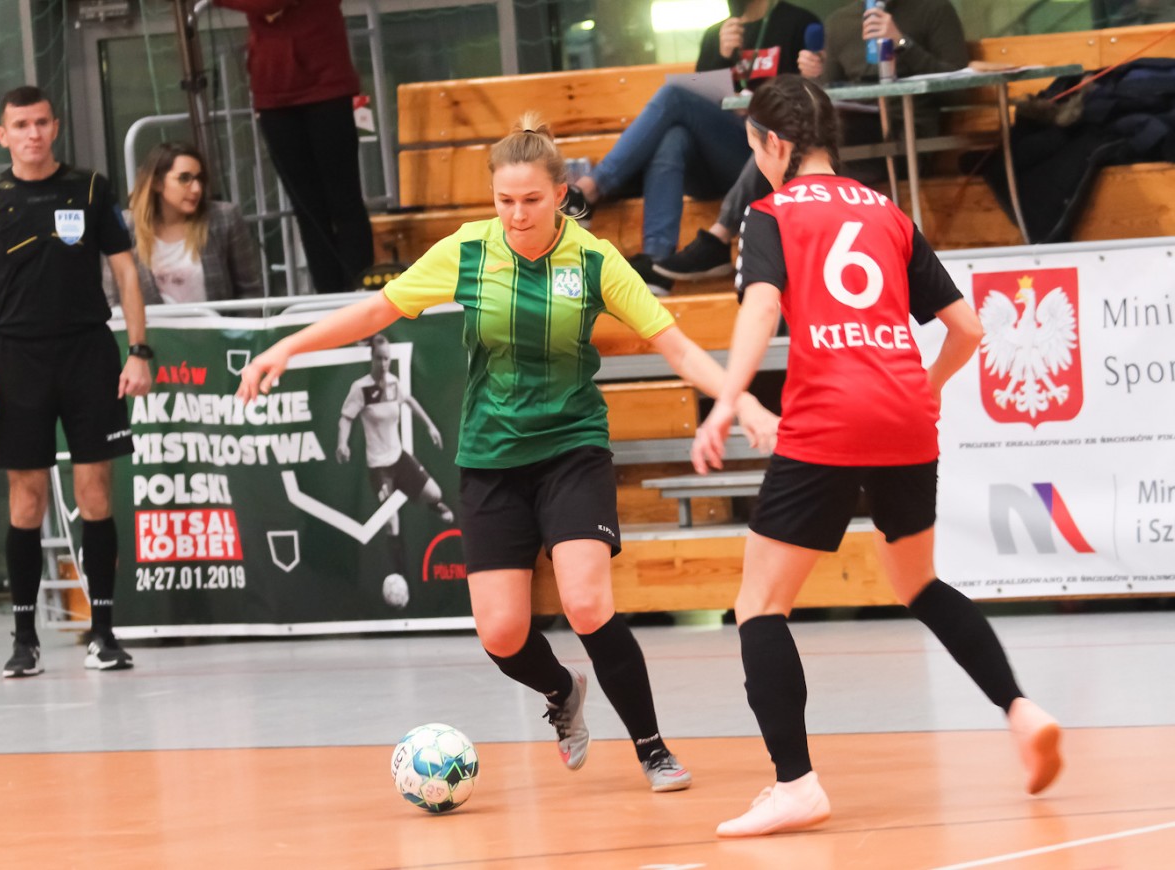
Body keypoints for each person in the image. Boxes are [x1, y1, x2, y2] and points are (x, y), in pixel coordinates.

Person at [239, 113, 779, 791]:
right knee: (500, 633)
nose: (517, 215)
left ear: (560, 194)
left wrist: (741, 402)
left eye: (531, 200)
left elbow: (675, 346)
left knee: (586, 604)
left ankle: (653, 748)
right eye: (504, 201)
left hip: (571, 449)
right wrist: (287, 346)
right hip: (491, 459)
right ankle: (561, 691)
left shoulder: (594, 260)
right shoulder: (468, 250)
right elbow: (378, 312)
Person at [690, 76, 1063, 837]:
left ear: (775, 144)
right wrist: (928, 387)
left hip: (829, 417)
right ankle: (1022, 710)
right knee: (918, 582)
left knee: (760, 604)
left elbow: (761, 307)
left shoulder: (770, 214)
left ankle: (795, 784)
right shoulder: (888, 213)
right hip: (905, 417)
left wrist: (727, 400)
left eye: (754, 147)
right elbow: (968, 329)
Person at [0, 86, 153, 677]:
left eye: (42, 122)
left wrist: (138, 352)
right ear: (2, 135)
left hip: (88, 354)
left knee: (95, 493)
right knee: (26, 499)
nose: (33, 133)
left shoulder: (92, 188)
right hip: (16, 360)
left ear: (56, 127)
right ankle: (24, 640)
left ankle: (103, 633)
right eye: (21, 124)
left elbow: (125, 272)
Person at [656, 0, 967, 282]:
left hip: (906, 133)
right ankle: (755, 257)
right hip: (845, 134)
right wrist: (816, 77)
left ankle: (724, 238)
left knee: (787, 141)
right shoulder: (841, 21)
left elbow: (959, 86)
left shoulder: (934, 10)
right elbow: (825, 96)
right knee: (782, 137)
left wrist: (902, 43)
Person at [565, 0, 820, 294]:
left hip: (759, 160)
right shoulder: (716, 34)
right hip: (714, 160)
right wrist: (720, 56)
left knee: (673, 96)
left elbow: (807, 107)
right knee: (675, 136)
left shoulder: (798, 22)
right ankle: (657, 262)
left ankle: (592, 189)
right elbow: (702, 94)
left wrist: (784, 91)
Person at [214, 0, 374, 293]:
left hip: (326, 87)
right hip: (273, 93)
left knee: (344, 201)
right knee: (307, 209)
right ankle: (328, 297)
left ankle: (359, 292)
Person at [337, 334, 454, 602]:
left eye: (387, 358)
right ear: (372, 359)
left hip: (399, 458)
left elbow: (409, 401)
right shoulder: (360, 388)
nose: (384, 363)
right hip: (380, 467)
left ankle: (433, 505)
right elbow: (345, 418)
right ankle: (400, 577)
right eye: (379, 358)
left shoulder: (393, 383)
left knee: (435, 494)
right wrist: (342, 443)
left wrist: (430, 426)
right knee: (392, 521)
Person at [108, 142, 264, 305]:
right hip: (152, 322)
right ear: (157, 182)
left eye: (199, 179)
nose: (196, 188)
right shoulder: (125, 226)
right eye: (184, 178)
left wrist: (235, 323)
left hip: (215, 321)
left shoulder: (224, 218)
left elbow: (251, 291)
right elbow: (112, 300)